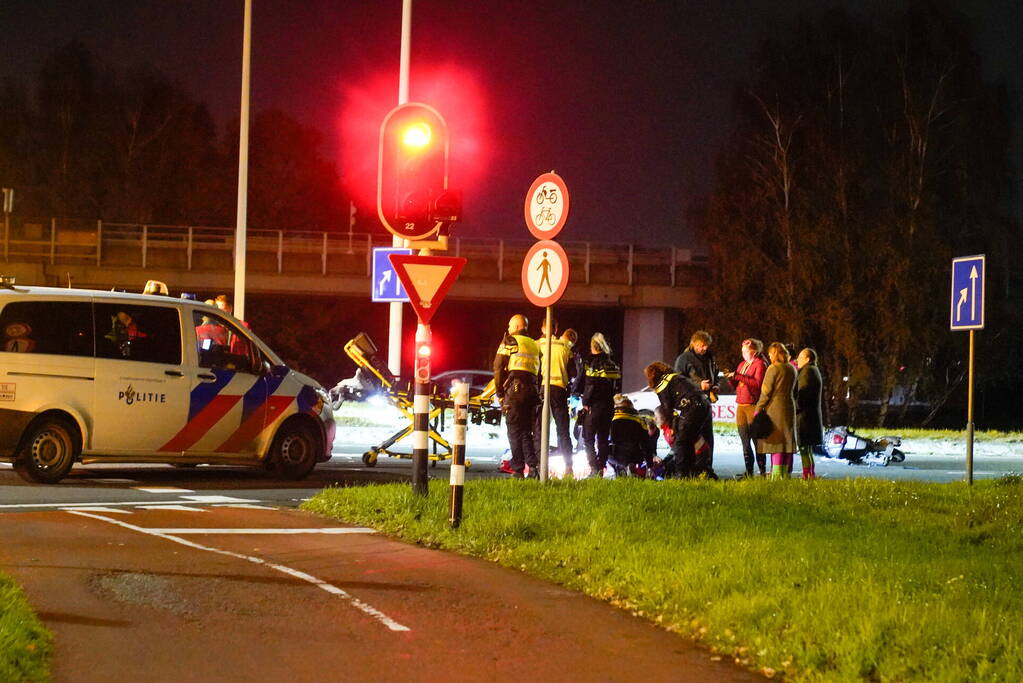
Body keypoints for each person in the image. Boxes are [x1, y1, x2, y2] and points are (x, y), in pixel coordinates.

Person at [645, 361, 714, 479]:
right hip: (704, 405)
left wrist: (672, 426)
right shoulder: (674, 377)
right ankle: (695, 472)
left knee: (682, 441)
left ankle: (682, 474)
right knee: (690, 439)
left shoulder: (662, 383)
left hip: (692, 407)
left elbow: (666, 407)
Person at [494, 314, 541, 479]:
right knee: (527, 432)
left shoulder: (509, 341)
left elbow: (498, 367)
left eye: (509, 326)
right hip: (532, 392)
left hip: (514, 391)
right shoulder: (534, 344)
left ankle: (518, 470)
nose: (507, 329)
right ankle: (533, 467)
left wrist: (500, 393)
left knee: (514, 430)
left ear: (516, 326)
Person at [533, 318, 577, 476]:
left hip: (543, 389)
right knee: (563, 429)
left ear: (543, 328)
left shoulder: (537, 344)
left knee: (540, 429)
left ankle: (538, 465)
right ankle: (569, 467)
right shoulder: (565, 345)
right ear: (556, 329)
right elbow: (574, 372)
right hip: (559, 389)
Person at [673, 330, 719, 471]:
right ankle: (693, 468)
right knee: (692, 437)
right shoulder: (684, 359)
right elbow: (678, 381)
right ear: (693, 343)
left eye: (707, 346)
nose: (705, 348)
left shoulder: (710, 357)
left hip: (706, 403)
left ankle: (707, 468)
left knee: (707, 436)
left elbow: (715, 373)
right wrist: (699, 385)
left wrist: (716, 385)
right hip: (691, 404)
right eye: (702, 345)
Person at [578, 332, 621, 478]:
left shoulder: (592, 363)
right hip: (609, 405)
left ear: (593, 346)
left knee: (588, 438)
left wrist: (585, 403)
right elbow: (616, 387)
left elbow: (590, 385)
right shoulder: (613, 364)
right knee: (603, 438)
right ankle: (601, 466)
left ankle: (594, 468)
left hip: (594, 406)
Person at [724, 338, 768, 477]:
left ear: (754, 352)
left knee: (757, 440)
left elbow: (757, 384)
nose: (743, 354)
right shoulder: (742, 364)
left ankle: (761, 471)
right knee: (745, 441)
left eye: (746, 351)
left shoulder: (760, 364)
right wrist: (732, 378)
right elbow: (736, 385)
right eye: (742, 351)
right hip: (741, 406)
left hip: (752, 405)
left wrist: (739, 376)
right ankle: (749, 471)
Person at [755, 342, 797, 479]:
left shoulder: (773, 368)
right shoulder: (791, 368)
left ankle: (776, 476)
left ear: (775, 353)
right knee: (786, 440)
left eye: (770, 353)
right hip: (789, 406)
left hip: (775, 408)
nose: (769, 355)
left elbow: (766, 392)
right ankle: (785, 475)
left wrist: (758, 408)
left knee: (776, 442)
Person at [795, 347, 824, 480]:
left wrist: (795, 407)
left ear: (807, 359)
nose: (797, 360)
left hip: (805, 416)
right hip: (810, 416)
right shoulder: (813, 370)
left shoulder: (807, 372)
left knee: (804, 448)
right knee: (807, 448)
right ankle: (810, 473)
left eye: (800, 357)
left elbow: (803, 393)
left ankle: (807, 474)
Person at [609, 394, 655, 476]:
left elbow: (604, 439)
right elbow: (646, 444)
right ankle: (629, 466)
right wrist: (650, 465)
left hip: (616, 454)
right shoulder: (640, 420)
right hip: (635, 455)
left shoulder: (611, 418)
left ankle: (622, 468)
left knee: (607, 451)